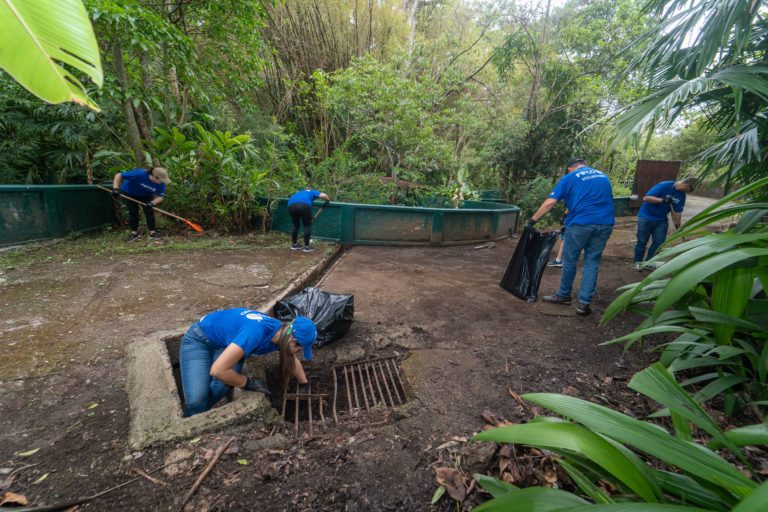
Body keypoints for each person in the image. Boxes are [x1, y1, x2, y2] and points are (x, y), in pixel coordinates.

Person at [179, 309, 317, 417]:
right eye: (300, 347)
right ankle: (192, 420)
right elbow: (218, 370)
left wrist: (304, 383)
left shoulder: (281, 332)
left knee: (223, 386)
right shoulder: (255, 333)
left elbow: (291, 359)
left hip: (227, 341)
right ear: (291, 339)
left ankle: (201, 412)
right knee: (197, 399)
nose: (298, 351)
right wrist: (246, 382)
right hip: (199, 338)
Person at [525, 158, 615, 316]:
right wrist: (566, 213)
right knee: (592, 262)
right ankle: (584, 303)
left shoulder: (570, 177)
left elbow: (550, 202)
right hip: (605, 223)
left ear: (569, 169)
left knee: (570, 259)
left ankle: (564, 294)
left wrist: (532, 220)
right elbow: (589, 199)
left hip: (581, 224)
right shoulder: (602, 176)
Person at [633, 177, 697, 271]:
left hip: (661, 220)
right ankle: (637, 263)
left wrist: (678, 226)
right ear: (687, 185)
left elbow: (677, 213)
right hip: (646, 217)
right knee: (642, 241)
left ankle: (649, 262)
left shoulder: (682, 196)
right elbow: (646, 198)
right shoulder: (664, 185)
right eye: (690, 190)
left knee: (659, 242)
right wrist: (663, 200)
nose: (688, 192)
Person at [112, 167, 171, 242]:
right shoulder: (140, 174)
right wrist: (115, 188)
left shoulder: (161, 184)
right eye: (161, 180)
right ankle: (134, 234)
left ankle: (153, 234)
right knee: (133, 211)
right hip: (129, 192)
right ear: (154, 176)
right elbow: (118, 175)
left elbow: (160, 197)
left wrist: (152, 203)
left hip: (146, 195)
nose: (162, 182)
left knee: (149, 211)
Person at [287, 188, 330, 252]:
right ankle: (307, 247)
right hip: (304, 204)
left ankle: (294, 245)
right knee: (307, 225)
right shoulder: (311, 191)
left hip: (291, 205)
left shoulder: (299, 192)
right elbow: (324, 195)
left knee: (295, 224)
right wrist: (327, 199)